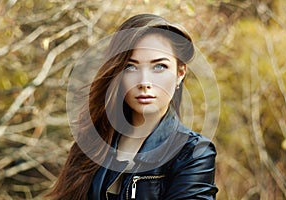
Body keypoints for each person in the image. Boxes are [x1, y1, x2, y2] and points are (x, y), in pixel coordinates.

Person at [48, 14, 218, 200]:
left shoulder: (193, 153)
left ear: (180, 73)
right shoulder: (92, 141)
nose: (144, 82)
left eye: (159, 66)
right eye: (131, 67)